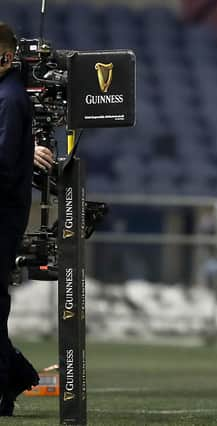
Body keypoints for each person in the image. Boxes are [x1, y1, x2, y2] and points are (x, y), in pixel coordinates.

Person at [0, 21, 40, 416]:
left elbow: (4, 167)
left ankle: (10, 375)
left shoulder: (10, 100)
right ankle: (12, 375)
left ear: (7, 57)